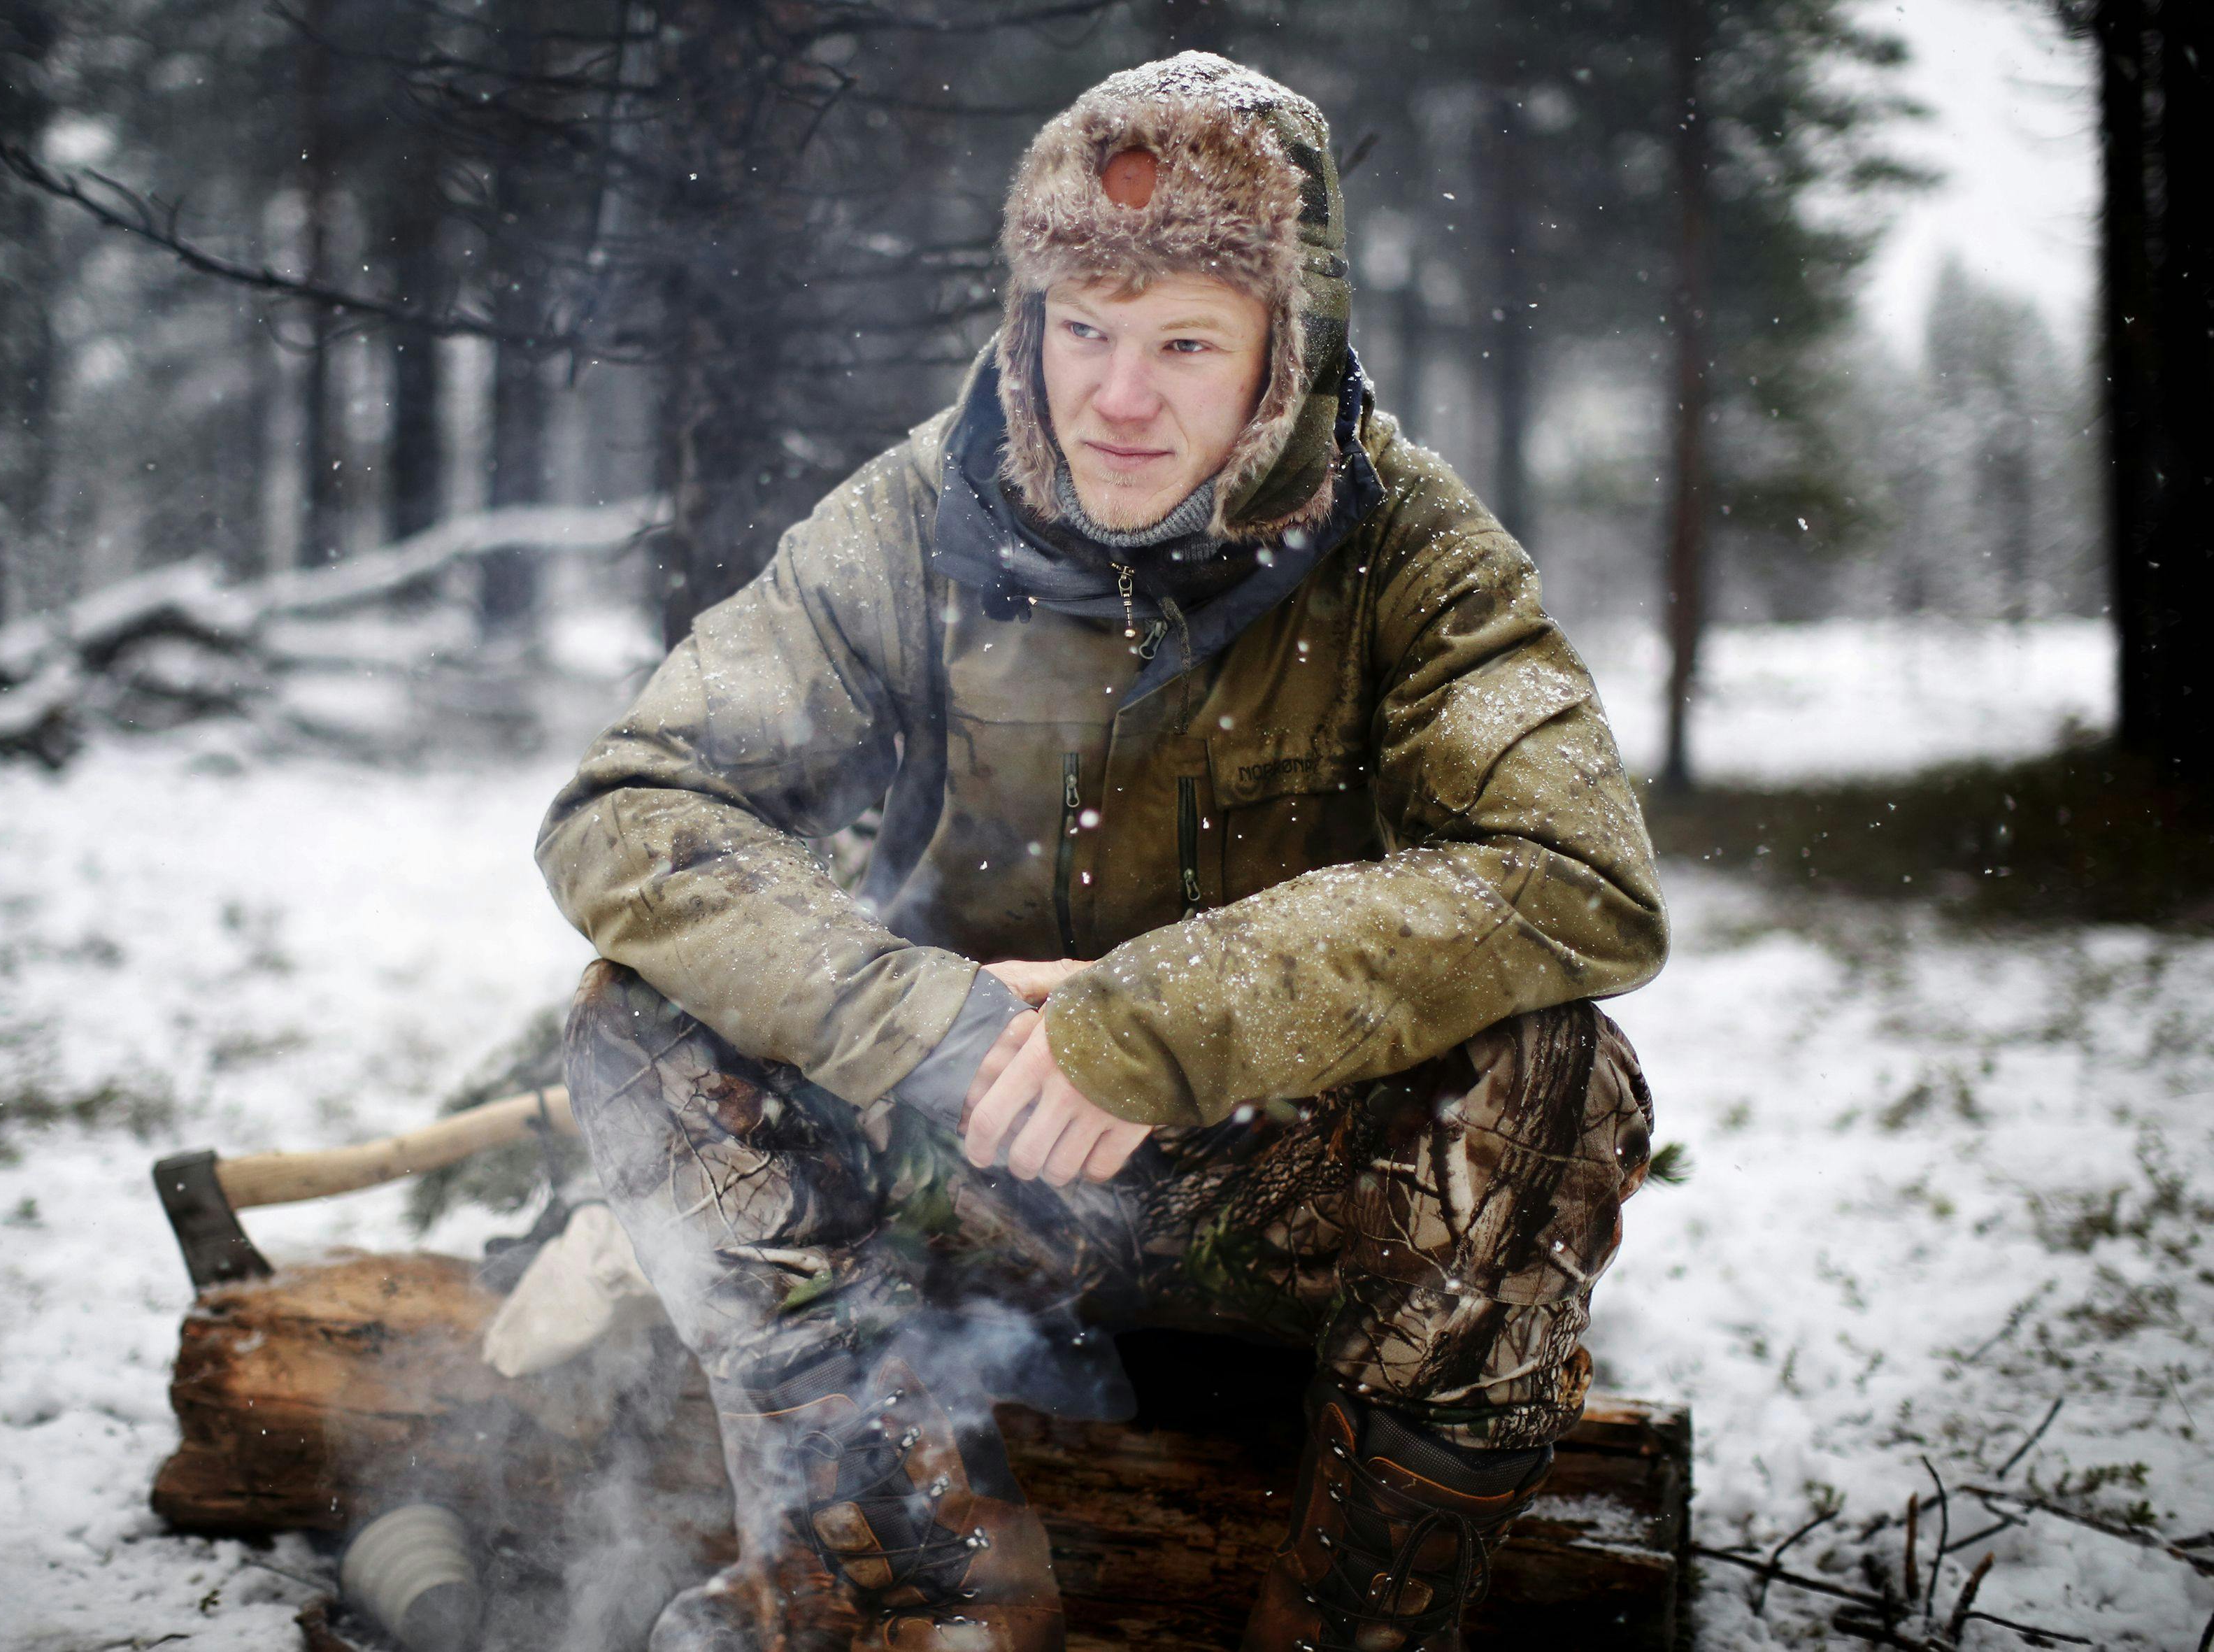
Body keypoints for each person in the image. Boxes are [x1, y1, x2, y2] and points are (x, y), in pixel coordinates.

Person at [539, 51, 1668, 1652]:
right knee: (636, 1019)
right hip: (971, 1157)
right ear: (1029, 323)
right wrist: (921, 1021)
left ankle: (1355, 1622)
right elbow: (630, 806)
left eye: (1183, 343)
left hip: (1288, 1182)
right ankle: (917, 1579)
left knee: (1557, 1064)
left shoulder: (1412, 545)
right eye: (1082, 329)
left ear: (1286, 351)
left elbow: (1578, 875)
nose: (1114, 398)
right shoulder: (918, 515)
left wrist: (1153, 1020)